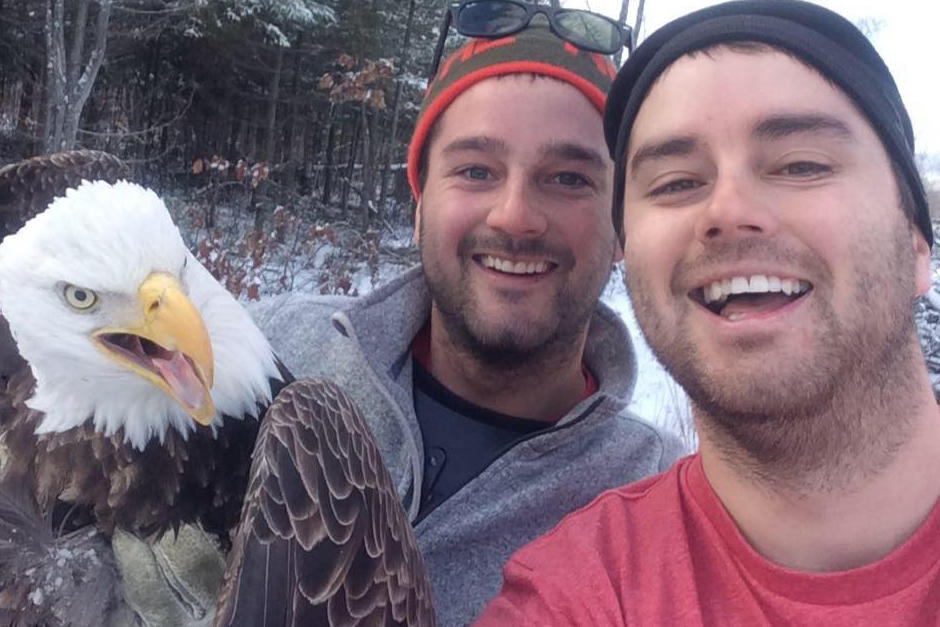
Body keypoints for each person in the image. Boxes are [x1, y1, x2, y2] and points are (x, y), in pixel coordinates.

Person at [476, 0, 940, 624]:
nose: (726, 209)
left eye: (801, 165)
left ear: (917, 244)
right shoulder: (582, 593)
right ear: (629, 255)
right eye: (674, 183)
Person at [250, 10, 684, 626]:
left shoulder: (662, 512)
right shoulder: (265, 346)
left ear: (622, 227)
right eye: (476, 170)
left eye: (567, 178)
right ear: (420, 203)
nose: (514, 217)